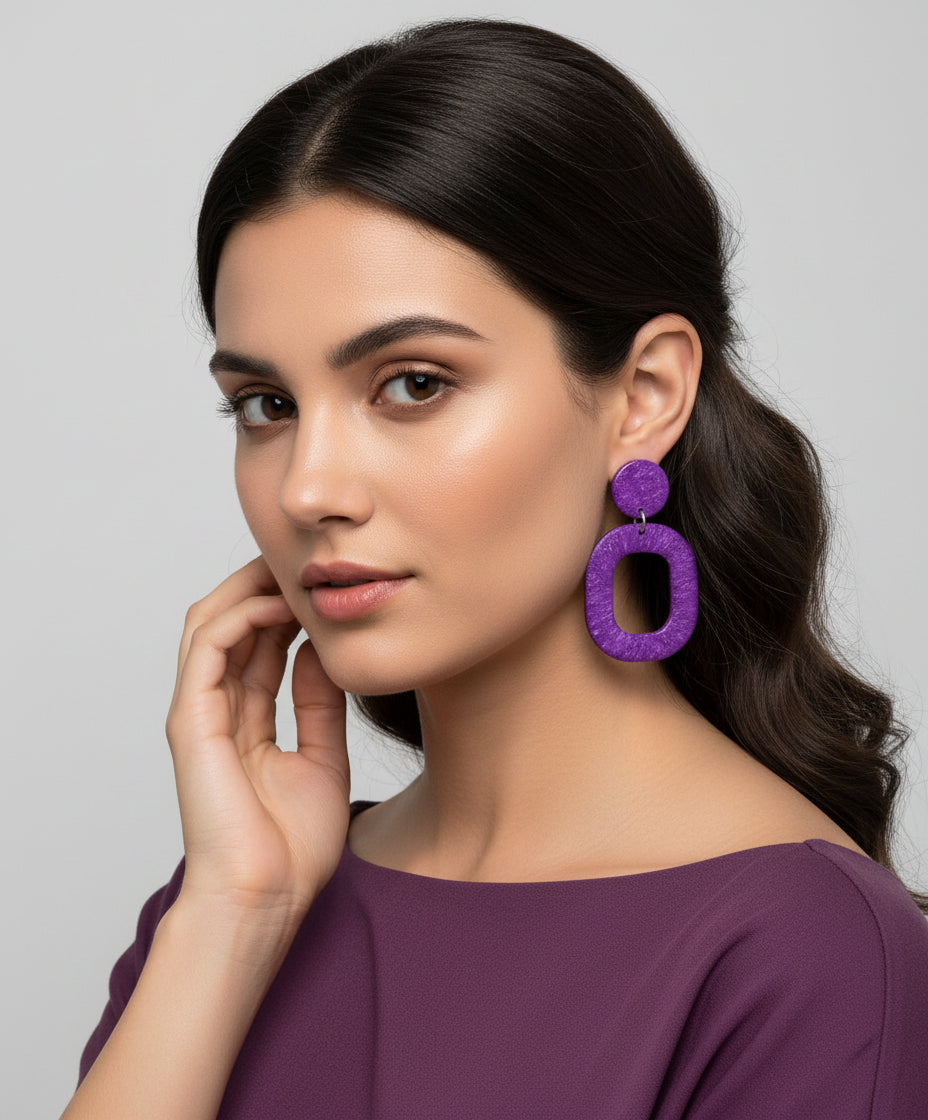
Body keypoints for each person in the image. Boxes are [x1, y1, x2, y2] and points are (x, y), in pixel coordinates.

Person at [61, 17, 928, 1120]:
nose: (308, 487)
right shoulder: (228, 905)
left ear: (644, 395)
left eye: (413, 382)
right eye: (265, 406)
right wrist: (232, 914)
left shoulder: (806, 954)